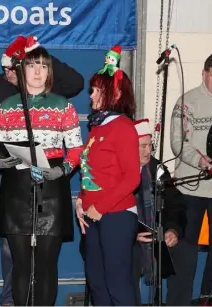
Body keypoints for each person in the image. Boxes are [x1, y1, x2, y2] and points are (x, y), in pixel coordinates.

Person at [0, 34, 84, 306]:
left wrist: (64, 169)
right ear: (20, 70)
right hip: (16, 189)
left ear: (49, 71)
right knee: (20, 265)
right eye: (32, 65)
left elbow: (77, 149)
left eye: (43, 66)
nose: (37, 71)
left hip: (51, 186)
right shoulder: (5, 108)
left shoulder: (64, 107)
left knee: (46, 264)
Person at [167, 51, 212, 305]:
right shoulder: (187, 101)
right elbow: (177, 142)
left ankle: (211, 298)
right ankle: (178, 301)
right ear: (204, 74)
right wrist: (198, 160)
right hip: (190, 188)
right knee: (184, 250)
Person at [76, 46, 141, 305]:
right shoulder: (97, 126)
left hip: (116, 214)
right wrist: (81, 200)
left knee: (117, 284)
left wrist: (99, 207)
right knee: (98, 283)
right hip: (93, 214)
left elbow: (132, 177)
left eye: (95, 90)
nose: (90, 95)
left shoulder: (123, 127)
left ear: (113, 92)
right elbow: (91, 171)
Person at [132, 119, 186, 304]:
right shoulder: (117, 169)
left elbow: (175, 204)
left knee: (185, 252)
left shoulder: (157, 169)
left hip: (155, 232)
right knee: (127, 255)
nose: (148, 151)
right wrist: (131, 233)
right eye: (143, 146)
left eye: (150, 146)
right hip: (126, 235)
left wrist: (172, 229)